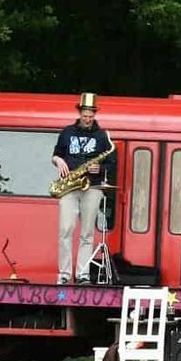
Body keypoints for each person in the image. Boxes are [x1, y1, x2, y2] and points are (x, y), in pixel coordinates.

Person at [51, 92, 116, 283]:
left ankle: (83, 274)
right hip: (69, 186)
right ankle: (64, 274)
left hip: (92, 186)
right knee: (65, 230)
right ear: (80, 112)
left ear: (94, 114)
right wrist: (57, 160)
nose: (88, 119)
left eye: (91, 116)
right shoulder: (67, 132)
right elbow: (56, 154)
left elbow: (112, 163)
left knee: (87, 233)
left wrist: (100, 167)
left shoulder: (102, 135)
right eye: (85, 115)